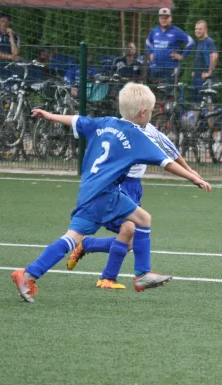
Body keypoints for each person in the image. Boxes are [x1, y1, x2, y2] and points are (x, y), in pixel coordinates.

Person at [10, 82, 212, 303]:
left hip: (92, 190)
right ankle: (141, 274)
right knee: (119, 227)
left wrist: (49, 115)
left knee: (132, 222)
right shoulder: (137, 136)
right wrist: (193, 177)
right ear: (143, 113)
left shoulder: (104, 123)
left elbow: (76, 120)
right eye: (151, 112)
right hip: (103, 195)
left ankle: (29, 274)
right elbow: (166, 162)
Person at [65, 123, 201, 289]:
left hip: (134, 186)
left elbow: (169, 150)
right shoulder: (120, 127)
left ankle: (87, 245)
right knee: (128, 229)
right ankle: (109, 278)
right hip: (117, 183)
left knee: (131, 242)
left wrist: (189, 170)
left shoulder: (150, 129)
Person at [146, 8, 195, 83]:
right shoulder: (154, 31)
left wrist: (182, 56)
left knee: (169, 93)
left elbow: (191, 42)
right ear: (159, 19)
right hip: (155, 68)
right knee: (153, 92)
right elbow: (148, 41)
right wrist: (151, 53)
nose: (163, 20)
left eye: (166, 18)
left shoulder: (176, 31)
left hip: (171, 69)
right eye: (161, 18)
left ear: (171, 18)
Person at [191, 20, 218, 104]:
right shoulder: (200, 42)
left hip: (205, 79)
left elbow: (214, 56)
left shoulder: (208, 41)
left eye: (200, 29)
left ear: (206, 30)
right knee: (196, 104)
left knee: (208, 103)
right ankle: (196, 118)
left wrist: (209, 73)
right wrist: (195, 72)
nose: (197, 31)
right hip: (197, 78)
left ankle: (211, 118)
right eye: (196, 29)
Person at [0, 12, 20, 78]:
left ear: (9, 22)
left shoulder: (15, 36)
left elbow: (15, 53)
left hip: (11, 68)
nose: (4, 23)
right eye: (2, 21)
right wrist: (9, 57)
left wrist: (11, 36)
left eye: (6, 21)